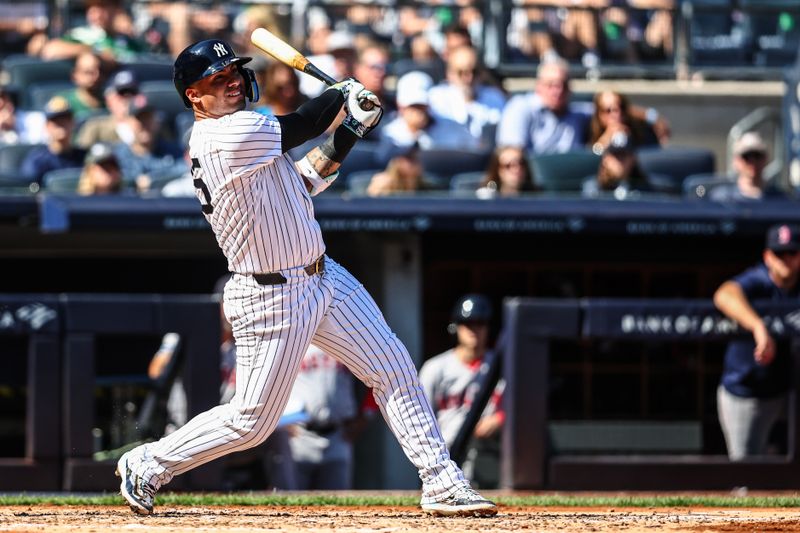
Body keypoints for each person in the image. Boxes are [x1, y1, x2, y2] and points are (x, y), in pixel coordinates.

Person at [115, 38, 496, 518]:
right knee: (252, 422)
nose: (233, 80)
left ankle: (441, 481)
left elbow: (307, 179)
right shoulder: (224, 135)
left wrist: (352, 126)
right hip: (269, 293)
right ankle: (149, 461)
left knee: (394, 366)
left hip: (321, 276)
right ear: (194, 95)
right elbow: (306, 123)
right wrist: (344, 92)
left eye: (233, 71)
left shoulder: (246, 134)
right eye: (218, 77)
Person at [713, 223, 800, 461]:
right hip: (747, 391)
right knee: (746, 468)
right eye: (778, 253)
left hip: (788, 389)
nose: (785, 259)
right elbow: (724, 294)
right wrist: (758, 327)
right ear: (767, 256)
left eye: (791, 253)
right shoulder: (758, 280)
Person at [497, 57, 669, 155]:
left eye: (563, 84)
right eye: (551, 85)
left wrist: (651, 116)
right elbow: (511, 155)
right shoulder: (520, 109)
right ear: (538, 87)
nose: (558, 90)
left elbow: (610, 108)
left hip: (573, 187)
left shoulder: (577, 113)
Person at [419, 294, 505, 489]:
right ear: (455, 327)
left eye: (480, 323)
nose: (474, 330)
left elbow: (521, 405)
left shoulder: (501, 366)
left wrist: (501, 418)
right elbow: (420, 415)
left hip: (489, 451)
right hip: (447, 452)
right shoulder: (435, 367)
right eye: (468, 323)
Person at [283, 344, 368, 490]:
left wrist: (366, 416)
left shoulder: (346, 343)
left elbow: (376, 379)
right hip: (300, 435)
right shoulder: (293, 342)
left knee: (337, 503)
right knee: (292, 500)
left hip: (338, 435)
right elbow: (272, 383)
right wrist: (281, 421)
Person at [379, 71, 477, 156]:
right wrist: (413, 133)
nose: (419, 111)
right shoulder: (389, 134)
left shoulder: (453, 128)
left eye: (422, 105)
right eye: (413, 106)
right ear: (400, 106)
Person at [428, 45, 507, 147]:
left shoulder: (495, 98)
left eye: (474, 72)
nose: (469, 78)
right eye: (461, 72)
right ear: (449, 74)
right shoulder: (436, 99)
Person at [40, 0, 145, 62]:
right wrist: (96, 51)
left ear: (117, 9)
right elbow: (50, 50)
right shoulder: (82, 34)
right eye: (91, 8)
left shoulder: (127, 40)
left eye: (102, 8)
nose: (97, 14)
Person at [20, 96, 87, 185]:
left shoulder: (85, 157)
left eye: (65, 119)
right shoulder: (38, 161)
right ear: (47, 126)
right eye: (56, 121)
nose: (61, 124)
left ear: (73, 123)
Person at [709, 132, 787, 202]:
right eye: (746, 156)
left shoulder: (779, 199)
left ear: (765, 158)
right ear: (736, 161)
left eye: (757, 155)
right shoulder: (723, 198)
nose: (752, 161)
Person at [75, 70, 142, 149]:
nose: (126, 99)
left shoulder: (149, 127)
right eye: (121, 94)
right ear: (109, 99)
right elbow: (82, 156)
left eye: (132, 93)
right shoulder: (96, 128)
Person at [582, 131, 652, 199]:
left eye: (623, 155)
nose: (619, 161)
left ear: (632, 159)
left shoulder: (645, 188)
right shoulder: (594, 188)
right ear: (605, 159)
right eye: (615, 155)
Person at [588, 90, 661, 154]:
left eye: (621, 107)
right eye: (608, 110)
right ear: (599, 115)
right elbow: (591, 158)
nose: (616, 114)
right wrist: (606, 139)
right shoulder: (588, 133)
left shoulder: (643, 132)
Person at [366, 143, 438, 197]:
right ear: (397, 162)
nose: (415, 163)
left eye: (416, 158)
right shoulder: (383, 184)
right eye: (409, 159)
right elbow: (370, 207)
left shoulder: (427, 186)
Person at [57, 51, 108, 123]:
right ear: (75, 75)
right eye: (89, 72)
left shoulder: (111, 100)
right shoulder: (64, 103)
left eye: (101, 71)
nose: (97, 76)